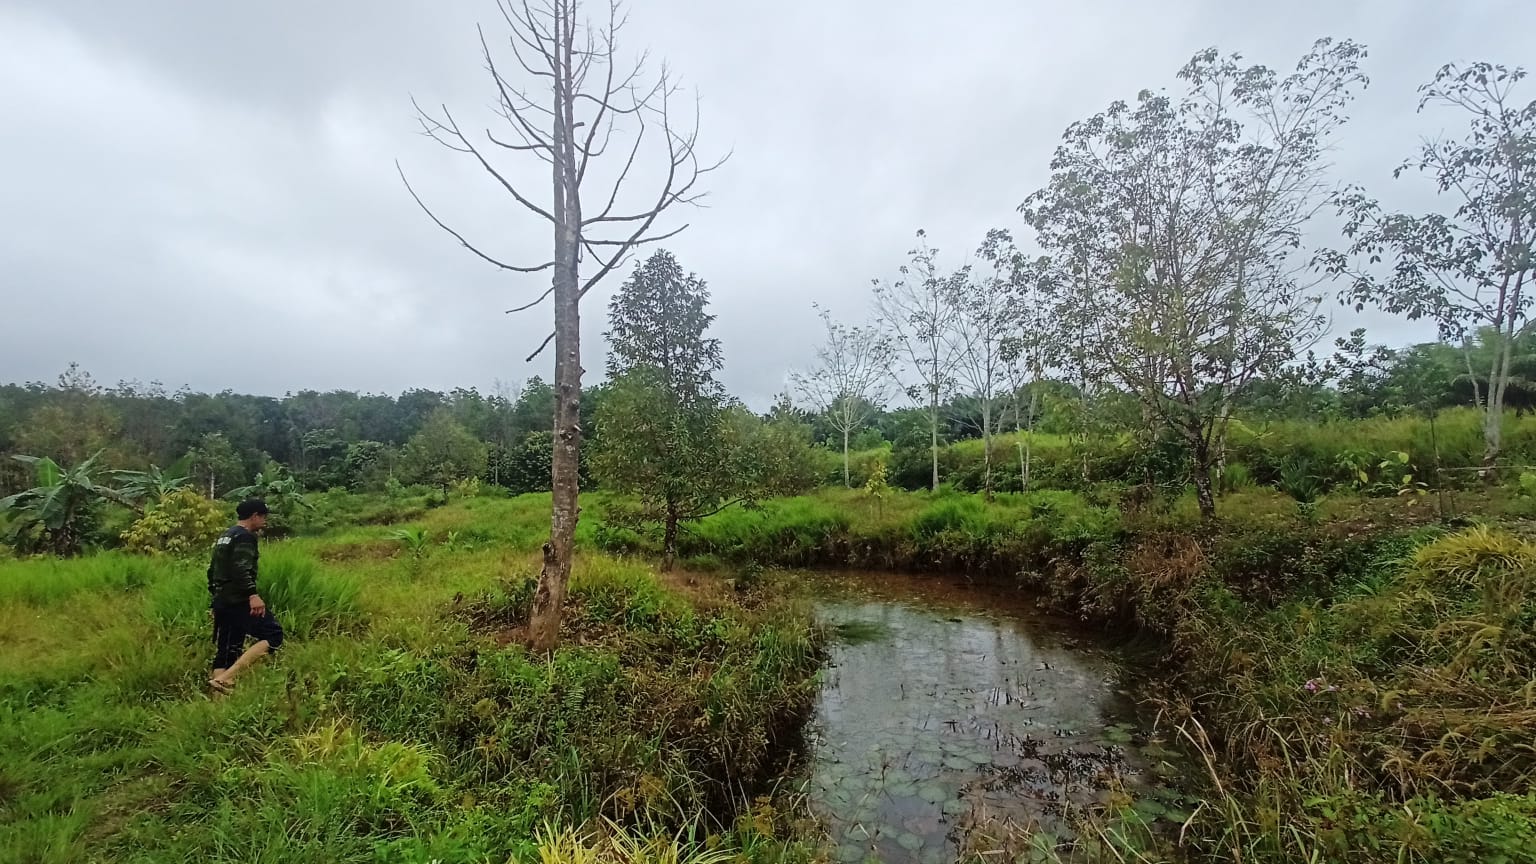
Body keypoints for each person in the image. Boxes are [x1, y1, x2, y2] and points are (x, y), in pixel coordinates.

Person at [206, 498, 284, 695]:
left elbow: (212, 571)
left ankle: (218, 701)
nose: (265, 521)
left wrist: (216, 599)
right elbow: (241, 568)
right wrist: (252, 595)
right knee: (273, 634)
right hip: (238, 599)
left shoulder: (226, 536)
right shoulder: (245, 537)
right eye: (263, 516)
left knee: (227, 650)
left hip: (223, 600)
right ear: (255, 516)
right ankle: (227, 678)